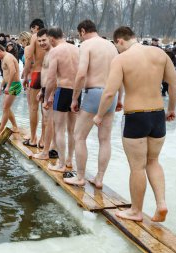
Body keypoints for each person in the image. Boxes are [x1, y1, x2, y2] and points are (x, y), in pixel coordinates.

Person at [93, 26, 176, 222]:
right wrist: (171, 109)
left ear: (120, 41)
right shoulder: (159, 53)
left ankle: (136, 211)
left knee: (137, 167)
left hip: (135, 116)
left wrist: (99, 115)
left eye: (117, 46)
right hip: (157, 115)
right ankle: (161, 204)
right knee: (153, 161)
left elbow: (109, 92)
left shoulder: (122, 59)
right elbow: (174, 84)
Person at [63, 20, 120, 188]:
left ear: (82, 31)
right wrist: (120, 98)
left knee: (79, 136)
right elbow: (120, 74)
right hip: (111, 93)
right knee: (105, 139)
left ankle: (80, 177)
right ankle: (99, 178)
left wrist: (75, 98)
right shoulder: (112, 46)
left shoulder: (87, 45)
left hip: (93, 93)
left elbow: (81, 74)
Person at [44, 27, 80, 172]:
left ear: (52, 39)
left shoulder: (55, 51)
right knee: (72, 130)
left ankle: (61, 164)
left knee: (59, 129)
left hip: (63, 90)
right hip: (77, 91)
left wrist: (47, 97)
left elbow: (51, 78)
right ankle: (70, 160)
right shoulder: (77, 49)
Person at [33, 28, 58, 160]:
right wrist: (42, 91)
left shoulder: (54, 52)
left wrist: (51, 93)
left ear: (50, 38)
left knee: (51, 121)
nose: (42, 43)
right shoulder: (47, 53)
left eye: (44, 40)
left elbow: (56, 76)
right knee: (48, 121)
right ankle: (52, 149)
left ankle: (49, 150)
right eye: (39, 41)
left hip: (52, 91)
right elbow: (46, 74)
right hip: (45, 90)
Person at [0, 44, 21, 138]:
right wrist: (1, 85)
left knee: (5, 108)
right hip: (10, 85)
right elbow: (6, 74)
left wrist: (8, 86)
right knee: (6, 107)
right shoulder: (3, 58)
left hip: (14, 85)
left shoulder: (8, 57)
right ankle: (15, 127)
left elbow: (13, 71)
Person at [23, 18, 46, 148]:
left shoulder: (35, 37)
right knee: (46, 110)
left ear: (36, 27)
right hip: (50, 75)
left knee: (33, 107)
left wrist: (26, 76)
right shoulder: (49, 36)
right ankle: (43, 140)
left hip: (37, 73)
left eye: (32, 29)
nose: (31, 31)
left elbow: (29, 58)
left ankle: (33, 138)